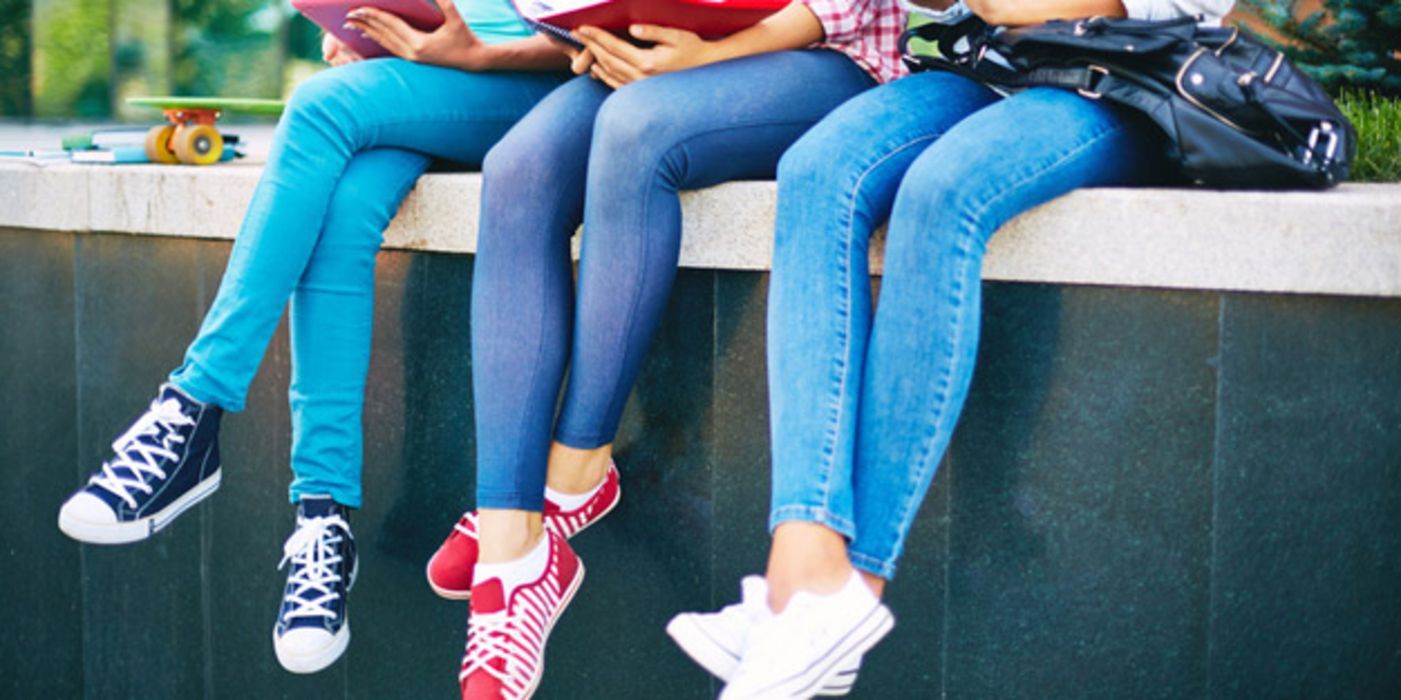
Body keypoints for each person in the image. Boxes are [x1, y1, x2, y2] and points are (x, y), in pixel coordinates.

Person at [667, 0, 1237, 697]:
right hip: (988, 66)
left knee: (943, 193)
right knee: (817, 171)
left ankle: (848, 593)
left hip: (1125, 74)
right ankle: (799, 570)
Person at [55, 0, 571, 675]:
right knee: (347, 206)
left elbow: (603, 34)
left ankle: (192, 410)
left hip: (544, 89)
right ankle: (322, 518)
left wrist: (470, 53)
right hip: (434, 76)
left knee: (319, 106)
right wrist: (371, 33)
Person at [414, 2, 908, 698]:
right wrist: (587, 30)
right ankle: (512, 551)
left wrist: (706, 55)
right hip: (660, 56)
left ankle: (575, 472)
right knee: (518, 166)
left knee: (634, 127)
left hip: (825, 58)